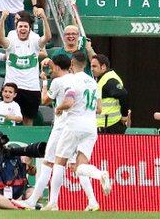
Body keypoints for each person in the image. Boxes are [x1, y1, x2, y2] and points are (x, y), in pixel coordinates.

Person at [44, 51, 112, 212]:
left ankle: (53, 202)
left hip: (74, 125)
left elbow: (68, 102)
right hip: (91, 127)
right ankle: (99, 174)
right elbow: (100, 109)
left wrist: (59, 108)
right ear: (86, 65)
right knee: (80, 166)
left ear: (72, 64)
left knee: (59, 162)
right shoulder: (94, 83)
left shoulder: (72, 81)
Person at [23, 53, 74, 209]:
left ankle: (35, 201)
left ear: (57, 67)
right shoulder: (77, 79)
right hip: (74, 126)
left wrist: (44, 81)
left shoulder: (57, 82)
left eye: (52, 67)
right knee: (73, 165)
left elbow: (44, 100)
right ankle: (91, 197)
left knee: (49, 163)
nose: (51, 70)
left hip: (60, 127)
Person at [0, 9, 51, 126]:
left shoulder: (35, 38)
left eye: (25, 26)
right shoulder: (11, 36)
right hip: (13, 86)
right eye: (20, 26)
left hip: (31, 87)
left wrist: (44, 18)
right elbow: (1, 40)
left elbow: (47, 37)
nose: (22, 29)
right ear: (16, 28)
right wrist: (2, 19)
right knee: (9, 120)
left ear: (29, 28)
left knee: (28, 121)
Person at [91, 54, 130, 134]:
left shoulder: (110, 80)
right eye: (91, 66)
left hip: (111, 127)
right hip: (104, 126)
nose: (92, 69)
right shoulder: (102, 78)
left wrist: (124, 115)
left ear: (103, 67)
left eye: (94, 66)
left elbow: (123, 94)